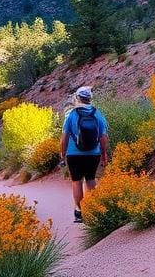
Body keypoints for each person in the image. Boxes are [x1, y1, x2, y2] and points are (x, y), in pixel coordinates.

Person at [60, 85, 109, 223]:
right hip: (93, 153)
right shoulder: (97, 113)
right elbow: (104, 137)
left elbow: (64, 138)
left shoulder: (71, 115)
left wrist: (62, 155)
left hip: (74, 154)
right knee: (91, 180)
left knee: (76, 182)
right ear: (90, 99)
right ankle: (96, 210)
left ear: (77, 98)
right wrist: (104, 155)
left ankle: (79, 212)